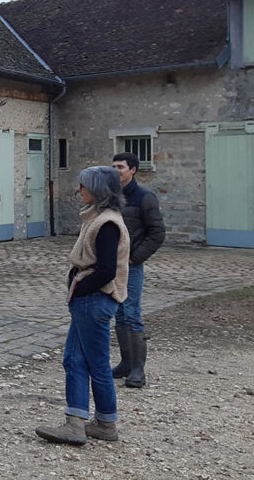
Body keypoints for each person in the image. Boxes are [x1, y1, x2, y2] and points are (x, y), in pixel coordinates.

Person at [37, 166, 130, 445]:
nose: (79, 190)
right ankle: (80, 422)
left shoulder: (107, 224)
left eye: (84, 185)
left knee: (96, 363)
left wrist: (80, 290)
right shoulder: (98, 218)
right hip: (88, 302)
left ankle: (103, 423)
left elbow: (106, 270)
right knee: (74, 360)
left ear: (99, 189)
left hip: (93, 302)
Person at [110, 152, 165, 388]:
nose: (116, 170)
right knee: (119, 314)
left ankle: (138, 370)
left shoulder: (145, 198)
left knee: (131, 314)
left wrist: (135, 258)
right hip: (111, 265)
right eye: (113, 166)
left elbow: (157, 233)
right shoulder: (110, 196)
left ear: (132, 170)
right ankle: (125, 363)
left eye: (120, 167)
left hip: (131, 266)